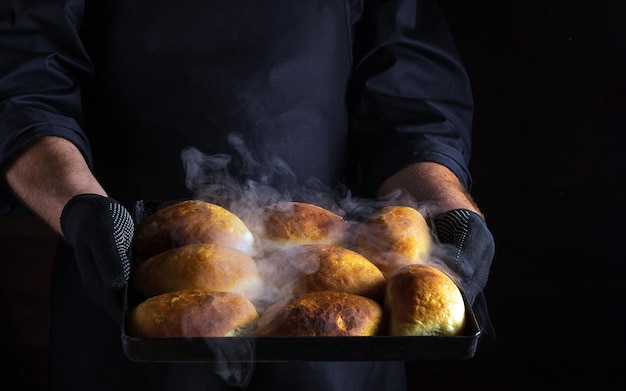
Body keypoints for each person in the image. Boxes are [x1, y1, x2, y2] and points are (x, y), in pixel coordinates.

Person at [0, 0, 494, 390]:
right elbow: (24, 83)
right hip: (123, 269)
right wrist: (81, 206)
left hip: (339, 319)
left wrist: (448, 207)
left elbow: (415, 107)